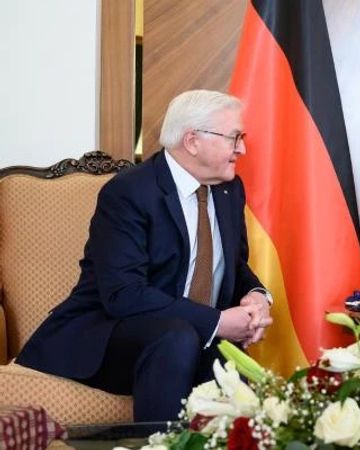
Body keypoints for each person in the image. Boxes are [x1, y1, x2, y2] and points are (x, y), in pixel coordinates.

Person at [17, 90, 274, 421]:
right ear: (192, 141)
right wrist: (217, 322)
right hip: (110, 336)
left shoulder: (228, 189)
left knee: (239, 379)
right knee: (178, 337)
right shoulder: (129, 192)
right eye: (234, 138)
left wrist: (257, 296)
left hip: (189, 336)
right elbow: (124, 295)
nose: (242, 149)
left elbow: (234, 265)